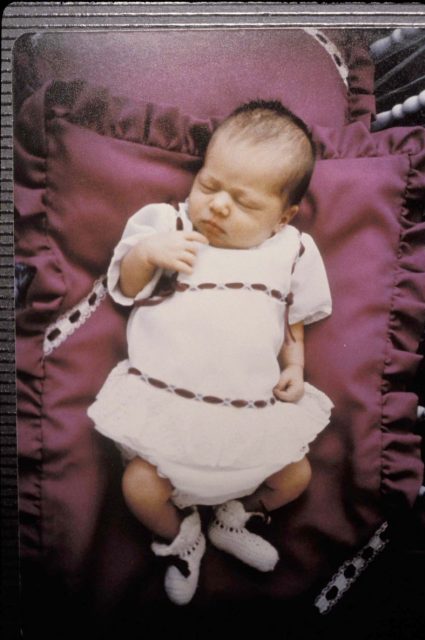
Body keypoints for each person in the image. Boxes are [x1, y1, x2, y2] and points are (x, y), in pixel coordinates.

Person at [88, 99, 333, 606]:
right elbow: (126, 289)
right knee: (139, 487)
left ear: (283, 216)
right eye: (208, 185)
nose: (218, 206)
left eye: (244, 203)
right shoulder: (168, 226)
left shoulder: (291, 249)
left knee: (296, 475)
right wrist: (147, 254)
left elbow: (294, 317)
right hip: (169, 415)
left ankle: (234, 518)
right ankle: (184, 537)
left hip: (249, 421)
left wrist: (295, 365)